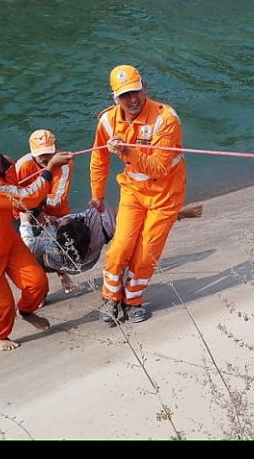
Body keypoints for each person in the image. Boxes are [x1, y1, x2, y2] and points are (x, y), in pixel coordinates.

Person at [0, 125, 72, 351]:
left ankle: (26, 311)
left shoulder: (6, 162)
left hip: (5, 237)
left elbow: (18, 193)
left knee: (37, 283)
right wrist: (51, 168)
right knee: (2, 303)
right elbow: (27, 197)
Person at [89, 64, 186, 325]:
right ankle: (110, 297)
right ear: (115, 98)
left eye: (135, 92)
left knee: (146, 253)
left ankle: (133, 300)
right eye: (124, 95)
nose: (132, 99)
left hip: (165, 193)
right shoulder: (108, 121)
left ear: (145, 87)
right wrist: (97, 195)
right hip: (133, 189)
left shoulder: (166, 119)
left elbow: (160, 168)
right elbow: (99, 158)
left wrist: (127, 152)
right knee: (120, 247)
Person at [19, 202, 204, 294]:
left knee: (33, 254)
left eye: (62, 221)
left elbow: (27, 243)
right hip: (86, 263)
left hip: (54, 262)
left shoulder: (50, 242)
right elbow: (143, 224)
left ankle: (46, 290)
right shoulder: (102, 230)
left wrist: (24, 220)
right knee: (127, 215)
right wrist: (178, 214)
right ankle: (63, 275)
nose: (62, 218)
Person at [14, 129, 74, 227]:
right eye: (40, 154)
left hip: (56, 214)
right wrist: (37, 213)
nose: (43, 158)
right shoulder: (22, 165)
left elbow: (57, 200)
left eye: (47, 153)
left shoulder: (65, 164)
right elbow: (14, 197)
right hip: (26, 214)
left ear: (55, 149)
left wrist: (31, 197)